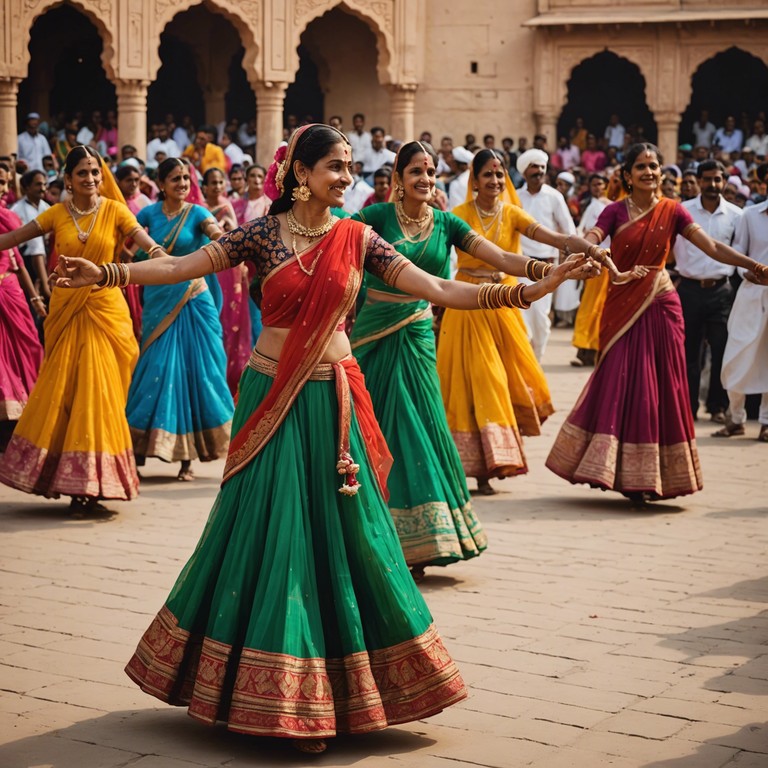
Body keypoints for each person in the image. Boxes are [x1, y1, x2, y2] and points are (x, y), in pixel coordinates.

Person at [50, 124, 595, 754]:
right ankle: (280, 697)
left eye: (349, 167)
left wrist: (531, 288)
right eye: (335, 167)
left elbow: (440, 289)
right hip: (271, 397)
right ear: (301, 174)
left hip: (333, 398)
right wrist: (106, 272)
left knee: (343, 533)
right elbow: (178, 265)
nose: (346, 177)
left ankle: (343, 689)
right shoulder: (259, 234)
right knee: (270, 526)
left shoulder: (359, 237)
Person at [351, 141, 595, 573]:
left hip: (417, 334)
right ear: (397, 180)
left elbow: (501, 257)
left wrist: (552, 270)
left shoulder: (446, 224)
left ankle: (420, 542)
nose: (425, 179)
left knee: (418, 428)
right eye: (415, 172)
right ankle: (361, 538)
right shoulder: (373, 219)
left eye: (430, 171)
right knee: (370, 431)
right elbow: (337, 251)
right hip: (372, 338)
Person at [546, 143, 768, 505]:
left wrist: (753, 266)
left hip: (663, 305)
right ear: (628, 176)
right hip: (622, 304)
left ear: (662, 173)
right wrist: (586, 246)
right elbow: (594, 237)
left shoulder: (673, 210)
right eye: (641, 167)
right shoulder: (615, 211)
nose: (649, 172)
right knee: (618, 378)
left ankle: (652, 477)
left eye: (654, 166)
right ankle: (611, 469)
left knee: (660, 384)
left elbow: (711, 246)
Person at [0, 146, 167, 513]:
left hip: (106, 310)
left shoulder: (114, 209)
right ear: (68, 179)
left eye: (95, 172)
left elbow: (143, 240)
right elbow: (13, 239)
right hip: (67, 311)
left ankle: (96, 481)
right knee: (67, 390)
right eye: (82, 173)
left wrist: (162, 258)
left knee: (102, 390)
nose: (91, 179)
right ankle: (75, 483)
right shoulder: (56, 214)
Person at [438, 149, 600, 493]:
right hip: (469, 304)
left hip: (508, 303)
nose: (495, 181)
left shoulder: (512, 212)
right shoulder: (459, 215)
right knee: (482, 378)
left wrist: (588, 248)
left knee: (511, 378)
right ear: (474, 180)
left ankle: (491, 459)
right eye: (488, 175)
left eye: (500, 175)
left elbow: (553, 238)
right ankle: (482, 465)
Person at [126, 158, 233, 482]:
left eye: (186, 178)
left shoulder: (198, 213)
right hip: (159, 298)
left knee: (198, 370)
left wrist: (221, 233)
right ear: (160, 184)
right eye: (175, 178)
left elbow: (213, 232)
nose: (182, 183)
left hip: (193, 300)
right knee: (156, 368)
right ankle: (140, 448)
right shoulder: (148, 214)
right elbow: (129, 248)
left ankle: (188, 458)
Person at [673, 160, 742, 423]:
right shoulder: (683, 212)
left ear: (724, 181)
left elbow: (740, 253)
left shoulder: (737, 216)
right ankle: (688, 408)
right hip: (689, 289)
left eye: (718, 179)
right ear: (699, 181)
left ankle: (717, 406)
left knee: (722, 349)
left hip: (721, 291)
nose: (713, 185)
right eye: (708, 179)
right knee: (689, 353)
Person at [715, 179, 768, 442]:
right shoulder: (750, 215)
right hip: (751, 292)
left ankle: (766, 422)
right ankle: (735, 418)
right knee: (735, 356)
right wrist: (753, 273)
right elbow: (737, 256)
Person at [516, 148, 576, 359]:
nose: (539, 171)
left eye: (542, 167)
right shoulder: (515, 197)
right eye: (534, 167)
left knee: (541, 319)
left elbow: (569, 230)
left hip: (546, 267)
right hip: (519, 265)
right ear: (525, 172)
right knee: (521, 319)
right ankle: (527, 365)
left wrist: (570, 259)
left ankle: (537, 360)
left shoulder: (554, 196)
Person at [0, 170, 45, 450]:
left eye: (3, 182)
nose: (1, 187)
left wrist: (35, 298)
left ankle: (13, 431)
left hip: (10, 294)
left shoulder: (9, 218)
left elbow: (18, 261)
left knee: (22, 356)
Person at [571, 173, 612, 367]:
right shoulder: (590, 206)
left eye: (600, 184)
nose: (597, 187)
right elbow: (583, 230)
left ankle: (598, 350)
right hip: (592, 262)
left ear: (605, 186)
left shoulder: (611, 206)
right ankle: (584, 350)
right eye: (594, 184)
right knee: (588, 307)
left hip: (608, 262)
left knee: (601, 307)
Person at [11, 169, 51, 303]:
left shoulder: (45, 207)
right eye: (38, 184)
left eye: (45, 185)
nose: (43, 188)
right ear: (27, 187)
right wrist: (45, 286)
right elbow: (36, 250)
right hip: (25, 263)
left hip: (45, 262)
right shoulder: (17, 210)